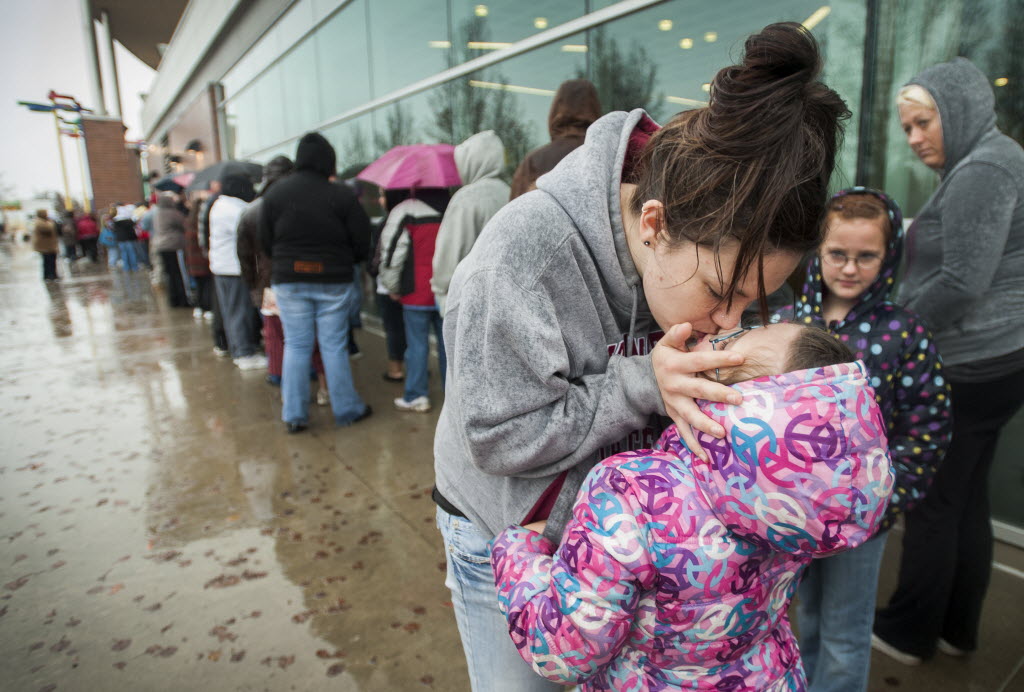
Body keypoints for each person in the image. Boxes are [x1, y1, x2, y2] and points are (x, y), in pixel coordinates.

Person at [433, 22, 851, 692]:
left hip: (621, 557)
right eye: (720, 291)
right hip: (508, 535)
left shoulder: (700, 253)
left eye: (754, 303)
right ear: (654, 224)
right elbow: (496, 436)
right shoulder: (521, 260)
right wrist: (643, 383)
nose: (728, 323)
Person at [491, 323, 894, 690]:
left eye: (730, 341)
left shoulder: (632, 494)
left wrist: (517, 552)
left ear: (746, 409)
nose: (717, 329)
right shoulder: (806, 501)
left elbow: (565, 653)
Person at [872, 58, 1024, 664]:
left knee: (933, 503)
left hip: (969, 367)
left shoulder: (984, 167)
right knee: (966, 499)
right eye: (907, 127)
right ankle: (956, 628)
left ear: (958, 112)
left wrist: (892, 330)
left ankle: (909, 632)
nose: (914, 138)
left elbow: (961, 281)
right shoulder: (987, 160)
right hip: (999, 361)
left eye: (924, 122)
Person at [774, 188, 952, 691]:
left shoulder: (904, 333)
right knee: (803, 619)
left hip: (863, 518)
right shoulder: (786, 323)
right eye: (837, 253)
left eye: (866, 256)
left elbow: (928, 424)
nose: (850, 268)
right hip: (794, 514)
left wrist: (886, 499)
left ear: (889, 255)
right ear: (817, 251)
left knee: (846, 634)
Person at [260, 131, 373, 433]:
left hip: (290, 279)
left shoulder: (276, 194)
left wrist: (285, 262)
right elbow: (362, 240)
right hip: (333, 280)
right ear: (329, 161)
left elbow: (264, 239)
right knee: (333, 345)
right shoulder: (342, 196)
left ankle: (294, 415)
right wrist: (348, 261)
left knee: (296, 345)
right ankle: (347, 410)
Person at [378, 187, 451, 412]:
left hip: (415, 291)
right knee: (448, 347)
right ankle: (453, 400)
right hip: (448, 289)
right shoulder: (454, 207)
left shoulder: (405, 210)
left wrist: (392, 285)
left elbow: (392, 253)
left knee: (417, 346)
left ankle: (417, 396)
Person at [431, 130, 510, 315]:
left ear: (470, 162)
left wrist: (440, 288)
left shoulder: (466, 198)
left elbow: (451, 251)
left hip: (468, 300)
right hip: (505, 297)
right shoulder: (512, 191)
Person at [509, 79, 603, 200]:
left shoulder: (535, 161)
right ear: (595, 109)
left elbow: (514, 209)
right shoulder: (607, 156)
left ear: (555, 110)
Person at [209, 174, 264, 370]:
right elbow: (251, 232)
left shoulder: (221, 205)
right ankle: (244, 353)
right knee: (239, 312)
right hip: (233, 269)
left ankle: (239, 349)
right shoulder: (232, 209)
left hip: (224, 268)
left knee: (231, 312)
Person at [151, 193, 190, 308]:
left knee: (169, 274)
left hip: (162, 246)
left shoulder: (157, 213)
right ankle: (183, 299)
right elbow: (185, 224)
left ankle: (173, 299)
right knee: (178, 274)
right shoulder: (173, 213)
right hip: (174, 246)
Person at [31, 209, 60, 281]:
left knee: (49, 261)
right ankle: (50, 275)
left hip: (48, 245)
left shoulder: (41, 221)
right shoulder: (40, 222)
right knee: (49, 262)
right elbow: (48, 229)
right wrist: (51, 222)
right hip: (46, 246)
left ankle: (50, 275)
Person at [112, 203, 139, 272]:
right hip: (129, 239)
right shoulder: (129, 221)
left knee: (124, 254)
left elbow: (114, 230)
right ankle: (134, 267)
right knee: (132, 253)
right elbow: (133, 230)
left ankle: (126, 267)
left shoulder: (115, 221)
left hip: (121, 240)